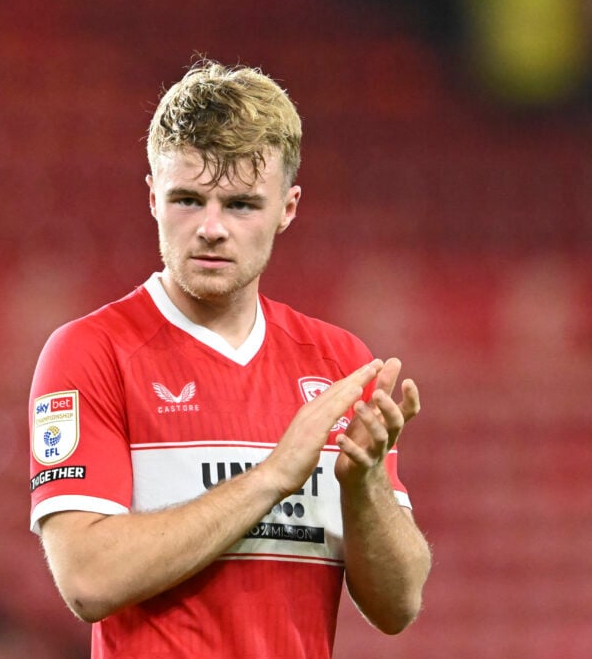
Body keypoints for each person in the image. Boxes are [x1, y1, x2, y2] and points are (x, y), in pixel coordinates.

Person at [27, 58, 432, 658]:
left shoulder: (339, 362)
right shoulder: (92, 352)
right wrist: (272, 476)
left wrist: (364, 484)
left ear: (288, 207)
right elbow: (89, 578)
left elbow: (398, 605)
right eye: (188, 200)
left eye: (241, 205)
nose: (211, 228)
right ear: (152, 198)